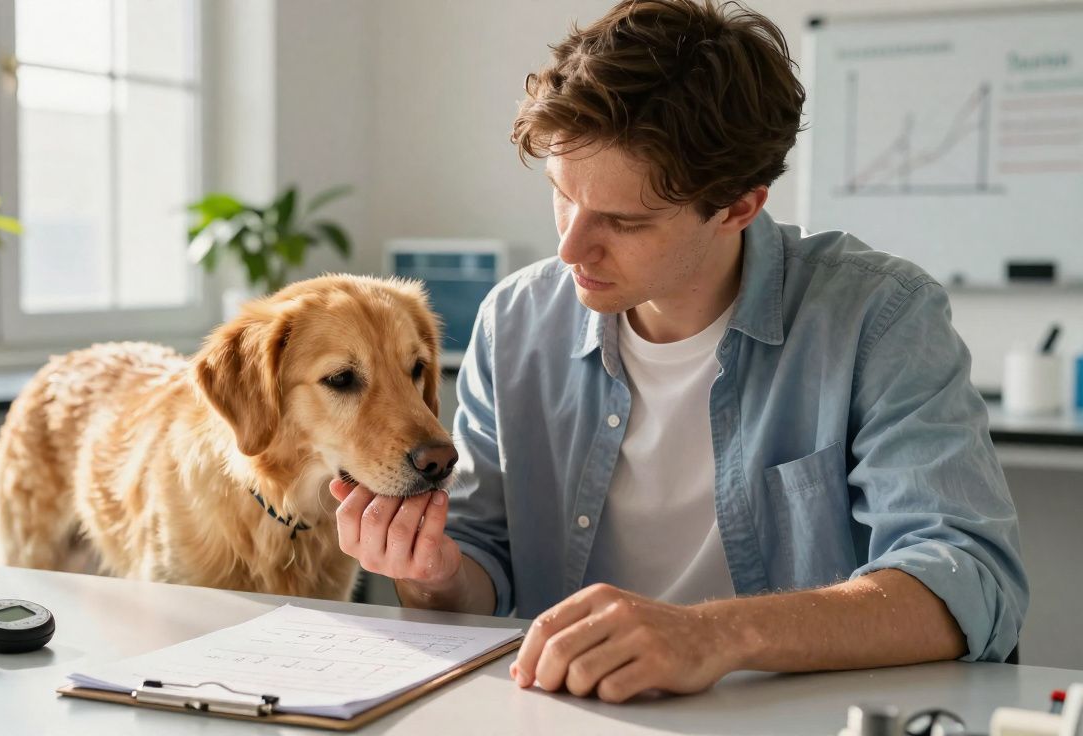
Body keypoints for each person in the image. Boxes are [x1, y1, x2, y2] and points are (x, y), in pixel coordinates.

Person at [329, 0, 1027, 703]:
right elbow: (479, 578)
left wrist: (712, 636)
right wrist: (432, 573)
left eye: (624, 221)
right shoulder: (515, 321)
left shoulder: (879, 316)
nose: (570, 248)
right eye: (562, 195)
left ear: (738, 207)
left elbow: (969, 578)